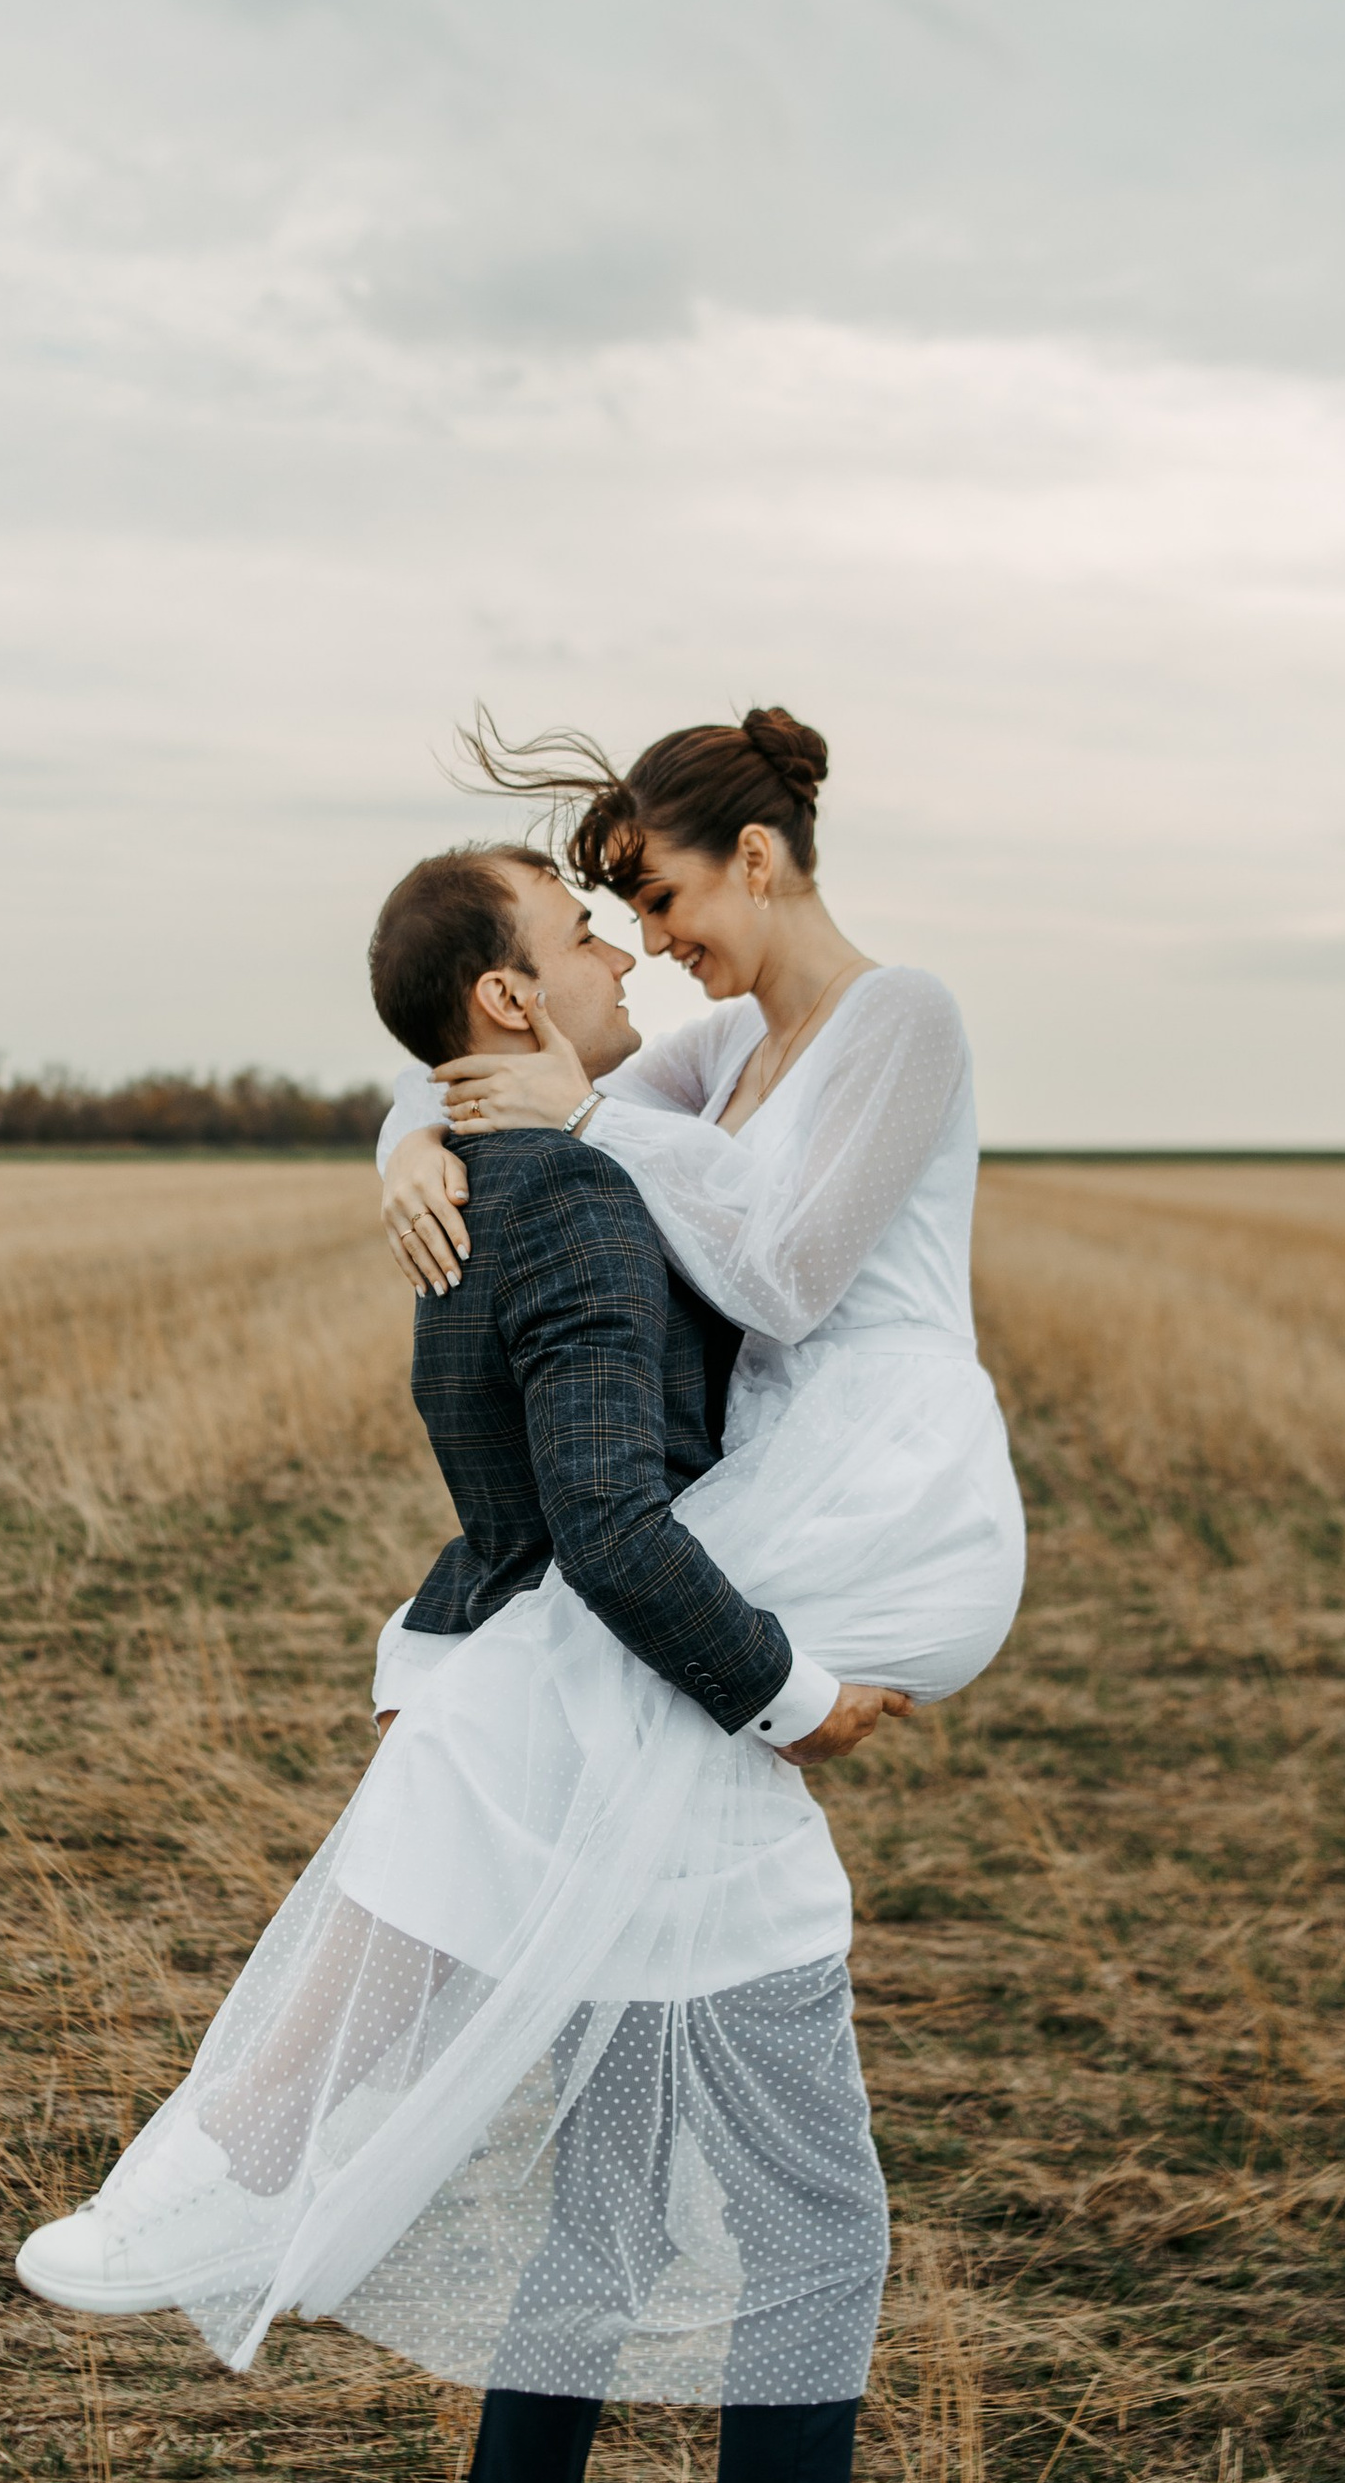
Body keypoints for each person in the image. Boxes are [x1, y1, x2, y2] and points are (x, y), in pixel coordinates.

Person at [14, 804, 1039, 2483]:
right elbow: (608, 1481)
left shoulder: (658, 1099)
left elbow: (625, 1187)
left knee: (600, 2207)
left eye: (644, 907)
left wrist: (465, 1127)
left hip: (665, 1672)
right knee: (814, 2236)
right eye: (603, 925)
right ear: (512, 993)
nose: (635, 957)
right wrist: (783, 1692)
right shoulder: (614, 1149)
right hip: (687, 1720)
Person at [376, 705, 1026, 1724]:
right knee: (572, 1679)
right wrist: (410, 1147)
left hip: (894, 1477)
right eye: (628, 914)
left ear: (755, 860)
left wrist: (589, 1118)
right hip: (764, 1463)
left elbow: (787, 1287)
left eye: (662, 897)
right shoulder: (723, 1050)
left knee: (535, 1666)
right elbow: (496, 1070)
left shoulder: (903, 1016)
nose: (648, 940)